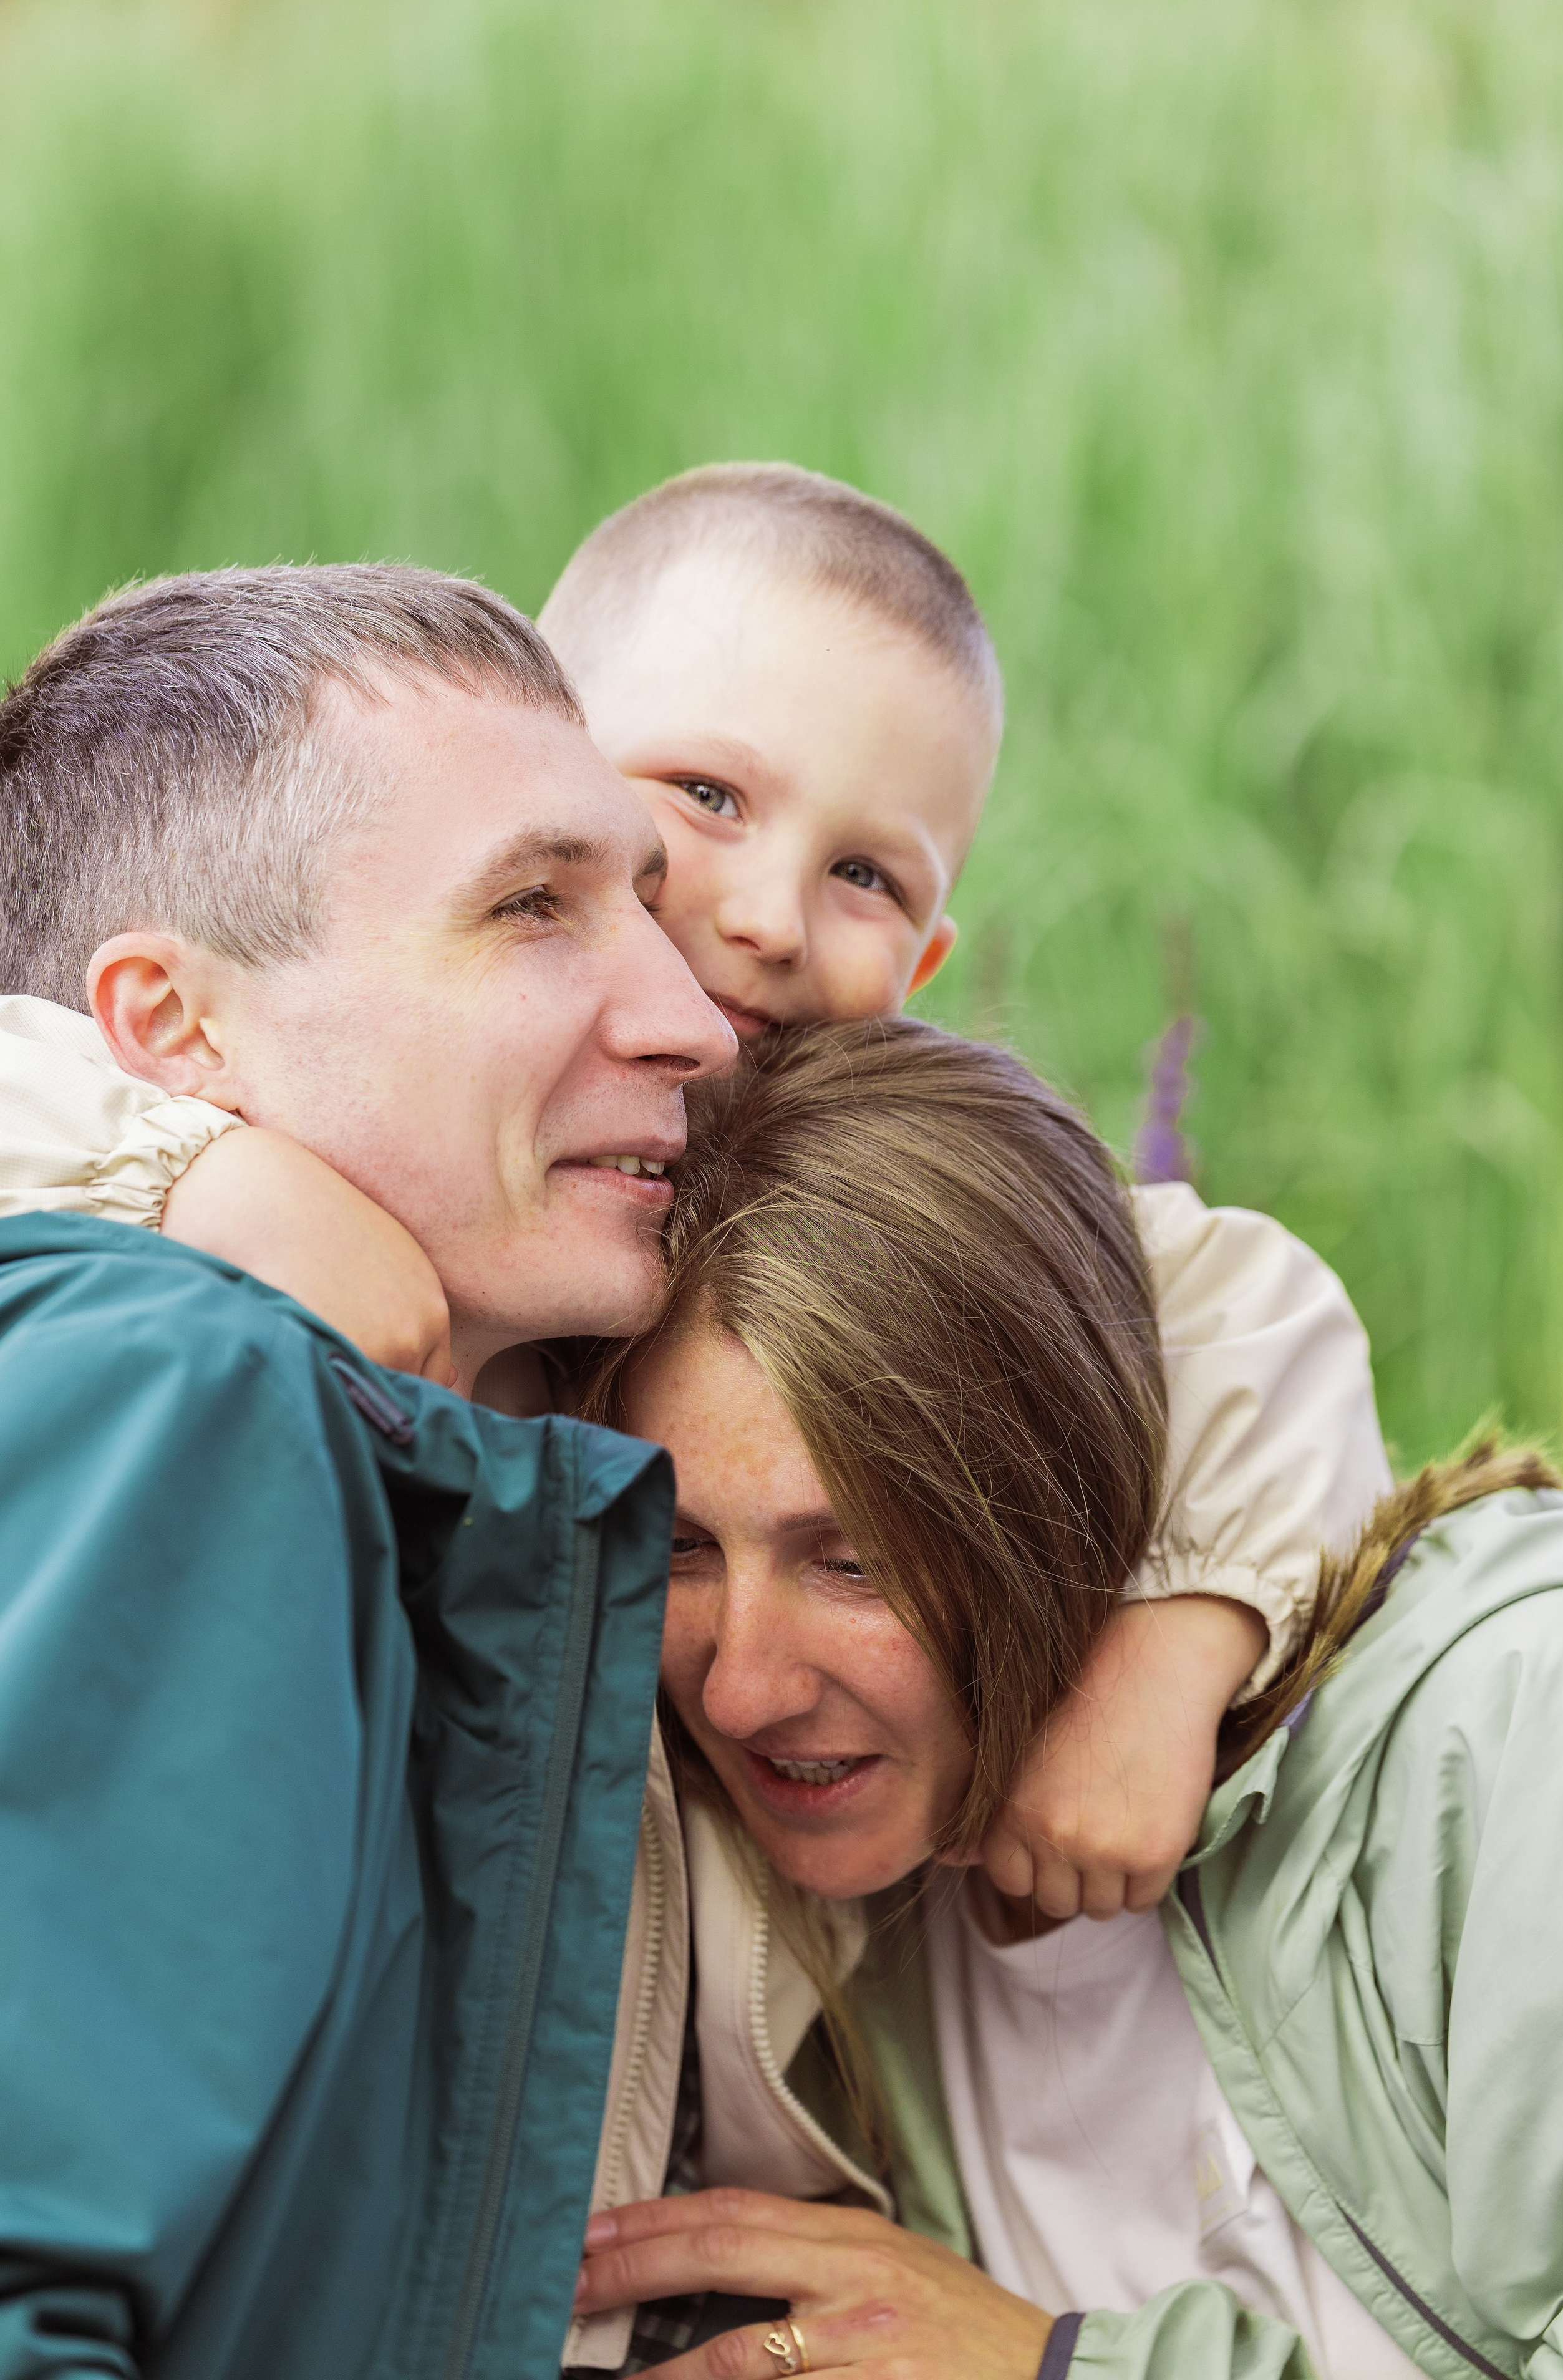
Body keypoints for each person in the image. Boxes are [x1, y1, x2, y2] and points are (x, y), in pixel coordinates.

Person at [0, 465, 1393, 1938]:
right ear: (550, 773)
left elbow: (1236, 1299)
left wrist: (1168, 1653)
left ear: (921, 973)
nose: (765, 919)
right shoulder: (381, 1137)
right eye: (707, 801)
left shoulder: (852, 1196)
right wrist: (193, 1171)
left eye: (865, 875)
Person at [569, 1018, 1563, 2380]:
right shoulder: (810, 1939)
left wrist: (1059, 2366)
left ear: (1063, 1490)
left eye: (857, 1560)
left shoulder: (1525, 1727)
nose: (742, 1687)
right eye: (679, 1550)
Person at [0, 563, 736, 2380]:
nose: (694, 1016)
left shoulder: (409, 1440)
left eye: (647, 901)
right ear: (171, 1033)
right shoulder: (187, 1389)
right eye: (530, 910)